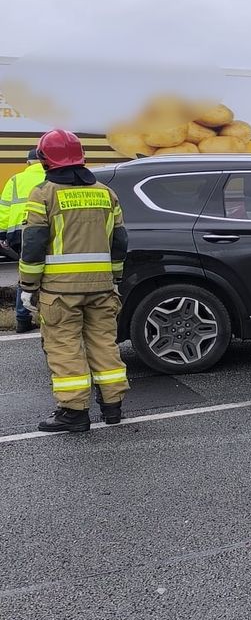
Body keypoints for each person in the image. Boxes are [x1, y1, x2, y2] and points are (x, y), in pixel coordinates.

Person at [18, 129, 130, 433]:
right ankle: (113, 407)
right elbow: (120, 241)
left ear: (44, 159)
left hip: (59, 291)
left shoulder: (43, 194)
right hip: (102, 288)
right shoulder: (106, 193)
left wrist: (28, 287)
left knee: (65, 348)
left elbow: (34, 245)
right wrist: (115, 277)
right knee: (104, 343)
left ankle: (73, 412)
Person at [1, 147, 46, 332]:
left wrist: (2, 235)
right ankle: (48, 318)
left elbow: (3, 210)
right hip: (44, 230)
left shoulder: (16, 179)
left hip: (19, 234)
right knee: (50, 276)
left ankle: (22, 319)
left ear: (28, 163)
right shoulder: (51, 178)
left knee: (25, 274)